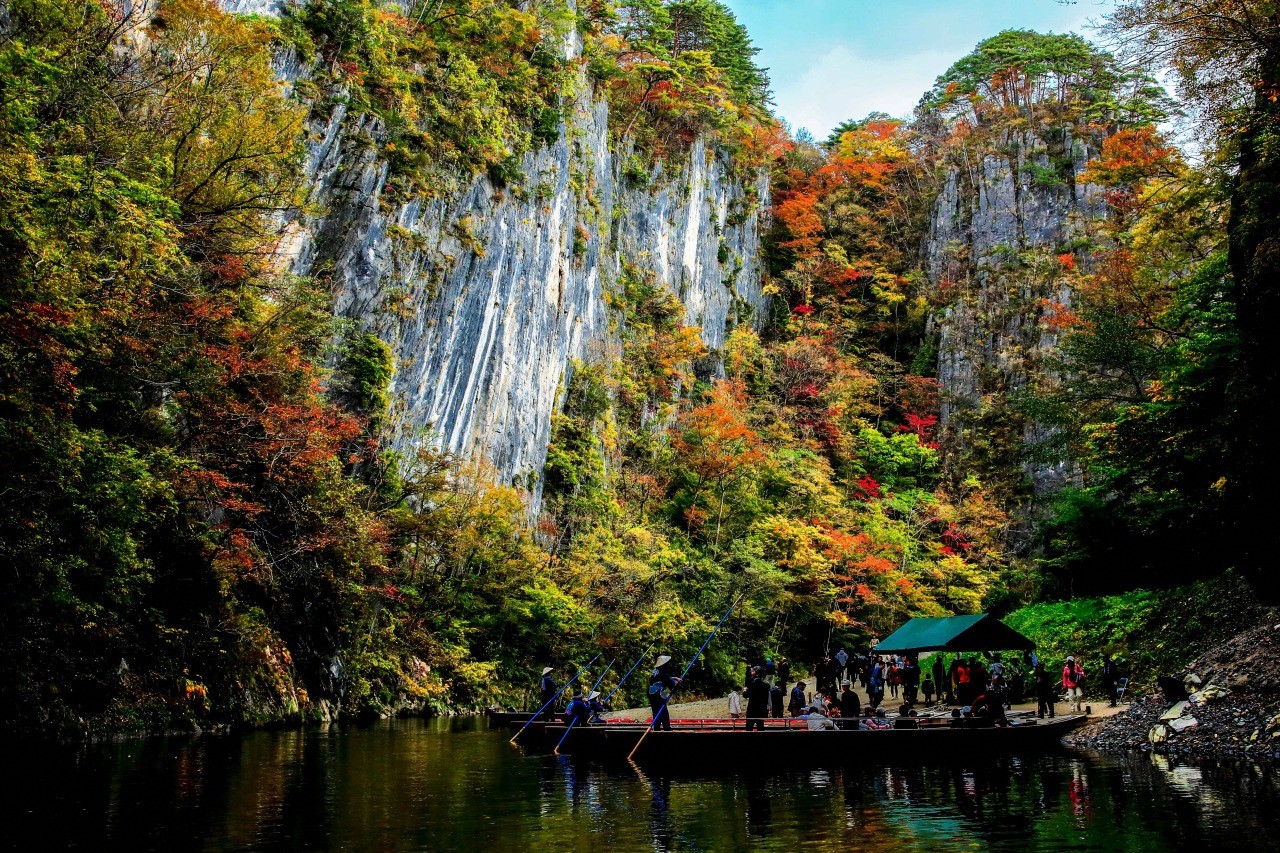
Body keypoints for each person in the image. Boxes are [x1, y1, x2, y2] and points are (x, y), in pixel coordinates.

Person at [647, 654, 681, 731]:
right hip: (658, 694)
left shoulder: (655, 671)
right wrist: (675, 684)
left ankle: (657, 728)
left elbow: (662, 678)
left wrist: (674, 678)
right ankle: (667, 727)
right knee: (663, 711)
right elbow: (670, 683)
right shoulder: (663, 672)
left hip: (651, 693)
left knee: (656, 711)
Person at [744, 666, 770, 731]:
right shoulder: (766, 685)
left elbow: (746, 695)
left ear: (757, 673)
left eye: (753, 671)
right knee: (760, 727)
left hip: (752, 708)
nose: (751, 673)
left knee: (749, 727)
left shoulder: (751, 684)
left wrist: (745, 690)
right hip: (761, 709)